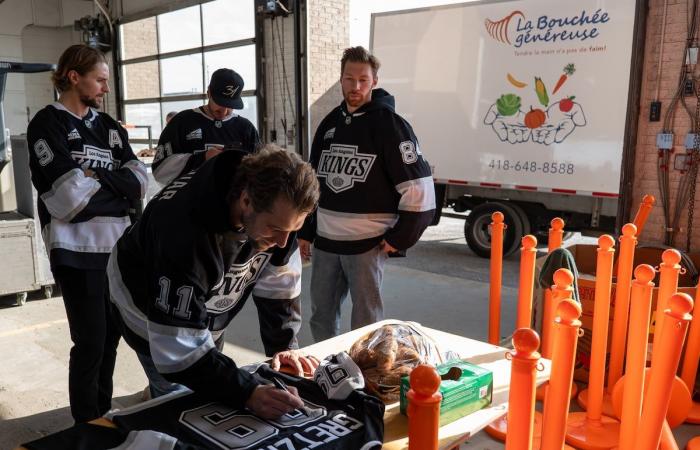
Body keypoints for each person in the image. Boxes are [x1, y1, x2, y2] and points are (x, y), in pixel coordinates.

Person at [108, 144, 320, 419]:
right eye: (276, 229)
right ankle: (159, 396)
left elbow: (280, 280)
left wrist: (283, 344)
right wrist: (247, 392)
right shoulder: (184, 233)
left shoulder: (278, 210)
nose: (283, 242)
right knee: (183, 405)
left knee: (214, 380)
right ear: (246, 200)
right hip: (143, 304)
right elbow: (178, 348)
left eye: (293, 230)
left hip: (202, 299)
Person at [26, 44, 147, 422]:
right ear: (73, 76)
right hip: (75, 252)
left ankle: (102, 415)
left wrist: (99, 179)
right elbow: (69, 200)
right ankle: (85, 426)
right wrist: (118, 188)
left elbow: (142, 182)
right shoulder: (48, 124)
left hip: (116, 251)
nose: (105, 89)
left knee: (111, 341)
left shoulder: (109, 128)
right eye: (100, 80)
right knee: (91, 342)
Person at [298, 46, 436, 342]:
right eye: (349, 79)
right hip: (326, 243)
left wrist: (400, 238)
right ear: (341, 79)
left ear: (374, 80)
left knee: (365, 321)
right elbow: (313, 181)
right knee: (321, 314)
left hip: (367, 246)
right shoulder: (329, 123)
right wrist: (307, 230)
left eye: (363, 79)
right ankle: (328, 371)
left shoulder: (391, 126)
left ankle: (364, 373)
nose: (355, 86)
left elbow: (420, 189)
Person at [152, 68, 260, 186]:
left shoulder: (246, 128)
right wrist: (203, 158)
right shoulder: (182, 122)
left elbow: (259, 173)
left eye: (230, 106)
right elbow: (160, 171)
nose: (224, 112)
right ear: (209, 92)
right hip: (190, 201)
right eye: (220, 103)